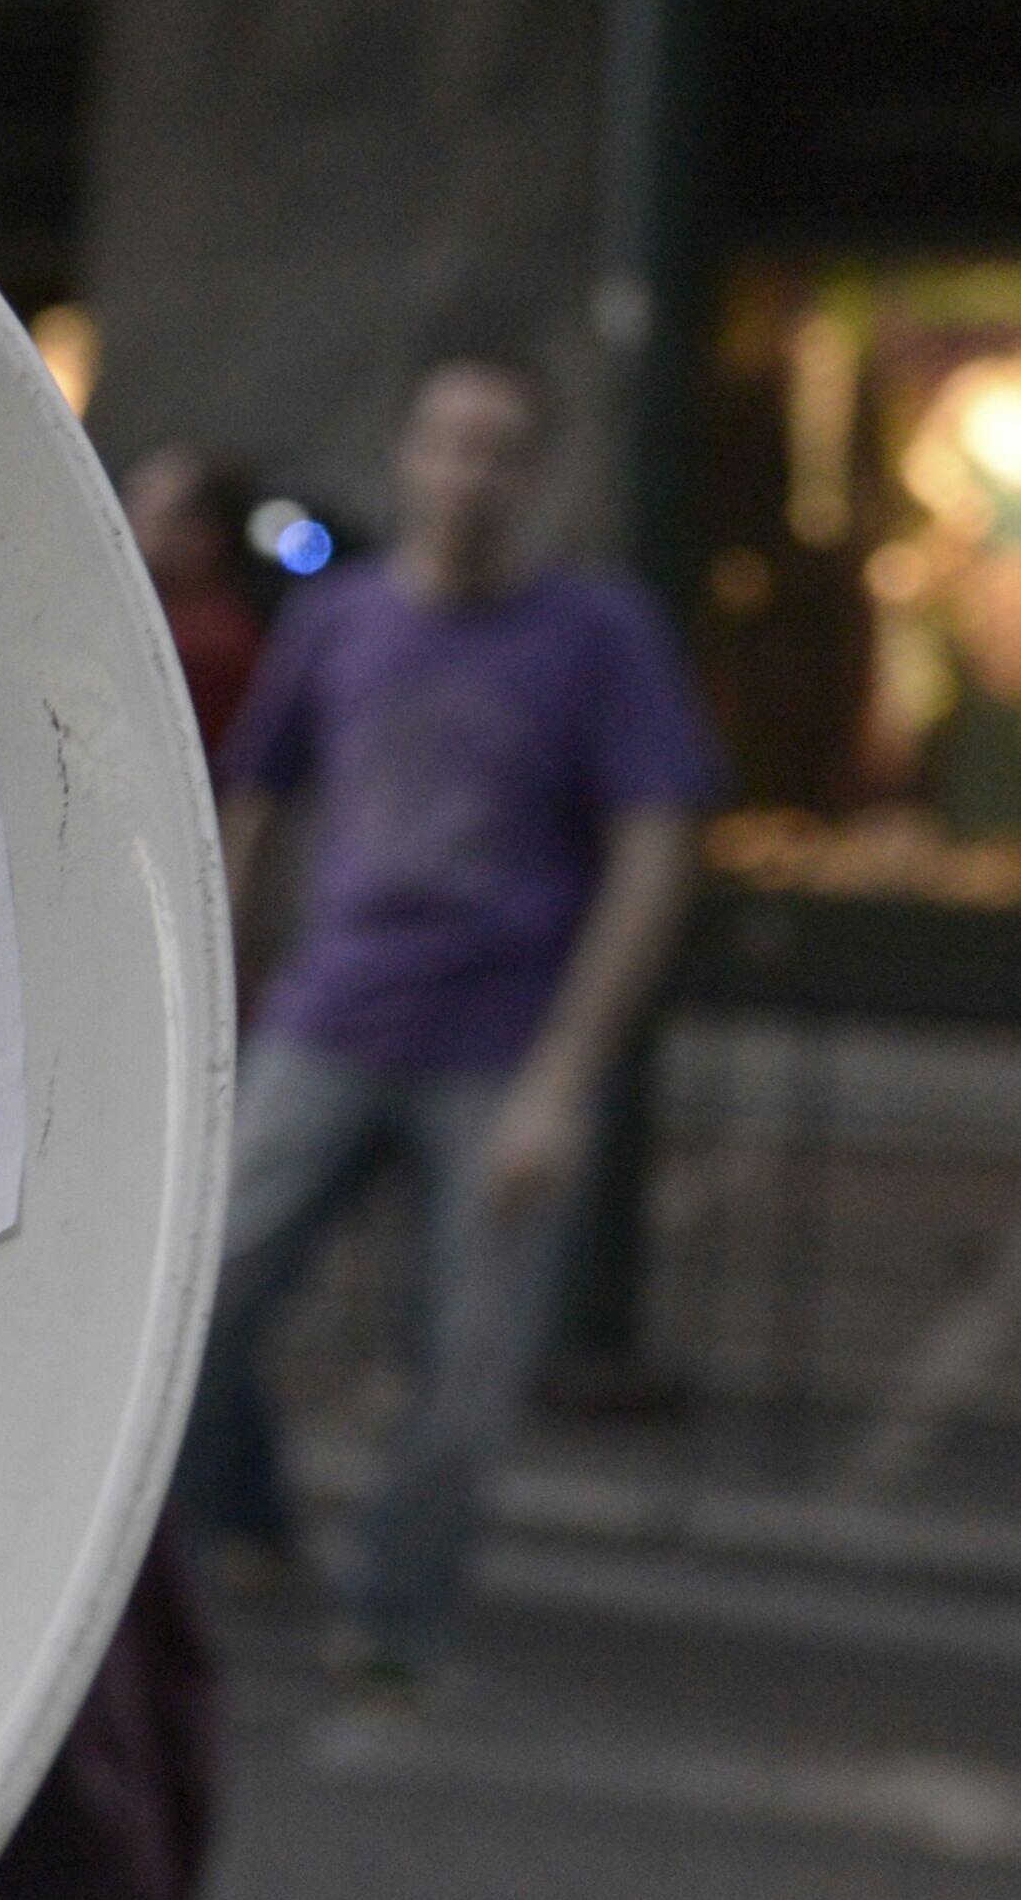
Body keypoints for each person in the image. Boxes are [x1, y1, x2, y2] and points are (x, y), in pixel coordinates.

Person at [197, 350, 719, 1693]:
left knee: (468, 1383)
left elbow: (655, 848)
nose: (470, 473)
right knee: (201, 1300)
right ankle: (247, 1517)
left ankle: (389, 1615)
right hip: (329, 1022)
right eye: (448, 442)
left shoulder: (596, 634)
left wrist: (565, 1076)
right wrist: (219, 1000)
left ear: (534, 474)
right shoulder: (341, 620)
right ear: (407, 456)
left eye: (501, 448)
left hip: (501, 1049)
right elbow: (253, 801)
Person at [128, 438, 271, 758]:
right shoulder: (151, 616)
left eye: (151, 513)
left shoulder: (214, 647)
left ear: (202, 537)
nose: (128, 525)